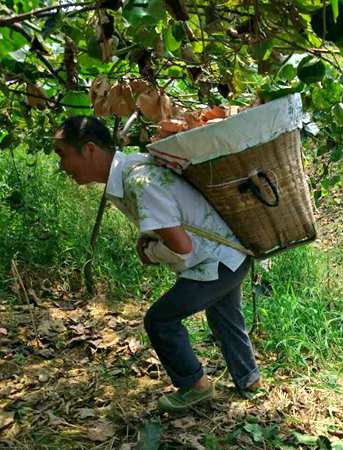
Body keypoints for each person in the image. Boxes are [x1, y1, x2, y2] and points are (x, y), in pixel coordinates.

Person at [53, 116, 261, 412]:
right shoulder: (132, 168)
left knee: (160, 320)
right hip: (231, 253)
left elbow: (182, 246)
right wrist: (150, 239)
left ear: (89, 149)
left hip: (216, 261)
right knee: (224, 315)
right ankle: (250, 381)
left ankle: (196, 386)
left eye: (63, 154)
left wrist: (149, 252)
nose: (62, 165)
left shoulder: (138, 180)